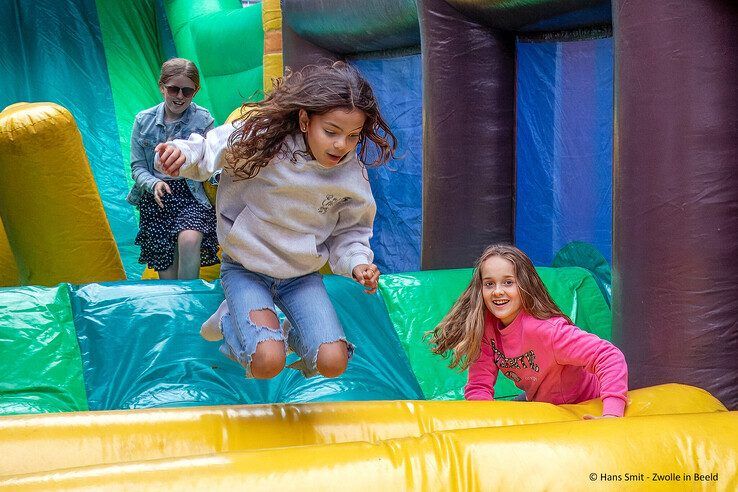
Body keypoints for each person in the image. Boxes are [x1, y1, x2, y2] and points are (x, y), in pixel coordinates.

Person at [156, 61, 397, 379]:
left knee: (332, 362)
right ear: (304, 119)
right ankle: (231, 319)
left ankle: (286, 330)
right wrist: (181, 154)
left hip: (301, 276)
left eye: (353, 136)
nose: (341, 145)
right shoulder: (263, 138)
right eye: (331, 132)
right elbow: (209, 148)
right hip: (246, 269)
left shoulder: (351, 175)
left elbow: (351, 229)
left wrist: (357, 262)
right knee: (268, 362)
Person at [427, 244, 628, 418]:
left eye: (508, 282)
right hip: (543, 403)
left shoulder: (546, 330)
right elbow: (479, 386)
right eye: (489, 284)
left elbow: (608, 355)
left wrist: (611, 412)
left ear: (525, 285)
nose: (497, 291)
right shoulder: (487, 329)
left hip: (584, 401)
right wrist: (482, 425)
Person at [126, 57, 219, 279]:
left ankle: (190, 299)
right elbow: (138, 167)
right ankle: (177, 302)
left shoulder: (203, 119)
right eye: (173, 89)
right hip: (157, 197)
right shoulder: (143, 121)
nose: (179, 96)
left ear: (195, 91)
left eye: (186, 91)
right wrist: (154, 183)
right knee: (168, 271)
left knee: (189, 239)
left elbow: (212, 160)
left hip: (191, 194)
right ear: (162, 87)